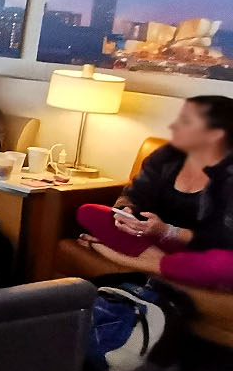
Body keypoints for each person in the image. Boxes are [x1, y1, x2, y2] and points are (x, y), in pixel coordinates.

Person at [76, 95, 233, 290]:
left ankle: (113, 253)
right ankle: (167, 265)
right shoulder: (166, 156)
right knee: (89, 211)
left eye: (186, 121)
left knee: (225, 266)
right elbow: (134, 194)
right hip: (151, 238)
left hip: (199, 248)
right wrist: (125, 212)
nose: (174, 126)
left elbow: (225, 237)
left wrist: (168, 231)